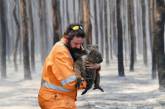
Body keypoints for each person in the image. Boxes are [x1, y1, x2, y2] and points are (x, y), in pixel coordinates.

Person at [38, 24, 100, 109]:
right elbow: (70, 82)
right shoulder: (60, 51)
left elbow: (88, 63)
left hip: (64, 99)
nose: (79, 46)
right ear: (67, 39)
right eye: (76, 43)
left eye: (81, 44)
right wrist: (88, 81)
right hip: (53, 99)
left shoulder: (73, 47)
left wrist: (96, 67)